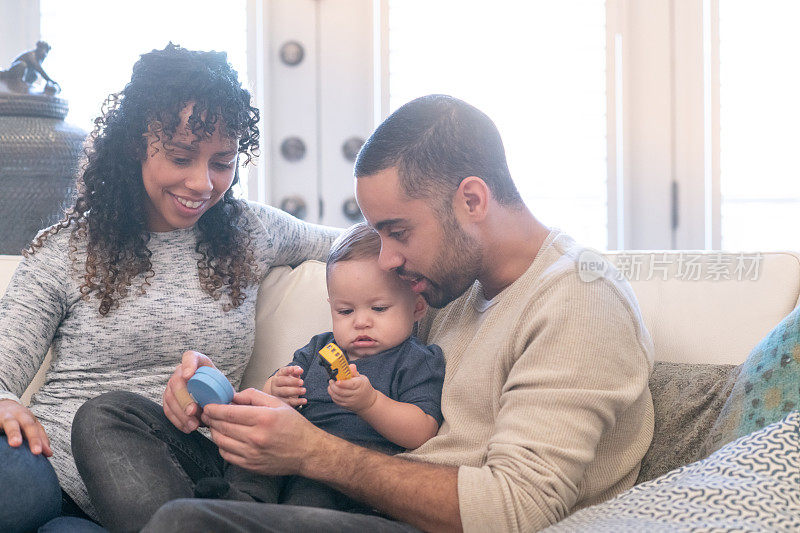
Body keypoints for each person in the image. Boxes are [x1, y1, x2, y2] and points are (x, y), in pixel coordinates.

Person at [78, 94, 655, 533]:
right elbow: (344, 356)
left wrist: (313, 453)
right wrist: (223, 400)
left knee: (187, 524)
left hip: (403, 519)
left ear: (472, 200)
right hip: (344, 486)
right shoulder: (450, 287)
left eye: (397, 231)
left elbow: (515, 509)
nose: (387, 258)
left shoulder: (578, 299)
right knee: (109, 418)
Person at [0, 43, 338, 532]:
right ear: (137, 146)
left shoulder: (251, 231)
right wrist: (6, 402)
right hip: (56, 481)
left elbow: (355, 247)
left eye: (221, 162)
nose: (202, 183)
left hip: (184, 480)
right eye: (181, 157)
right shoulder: (65, 250)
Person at [83, 222, 445, 522]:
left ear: (417, 308)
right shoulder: (318, 349)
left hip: (336, 480)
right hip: (273, 463)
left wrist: (370, 403)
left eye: (379, 308)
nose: (361, 322)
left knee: (311, 493)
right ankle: (236, 507)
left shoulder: (415, 360)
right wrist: (275, 388)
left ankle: (222, 517)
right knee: (248, 456)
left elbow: (421, 430)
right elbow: (273, 403)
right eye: (345, 311)